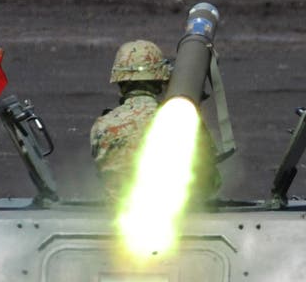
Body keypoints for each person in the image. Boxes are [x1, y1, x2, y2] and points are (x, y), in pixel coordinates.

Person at [90, 39, 220, 204]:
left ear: (120, 81)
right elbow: (211, 183)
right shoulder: (180, 121)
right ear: (161, 80)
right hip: (176, 221)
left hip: (117, 219)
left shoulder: (102, 126)